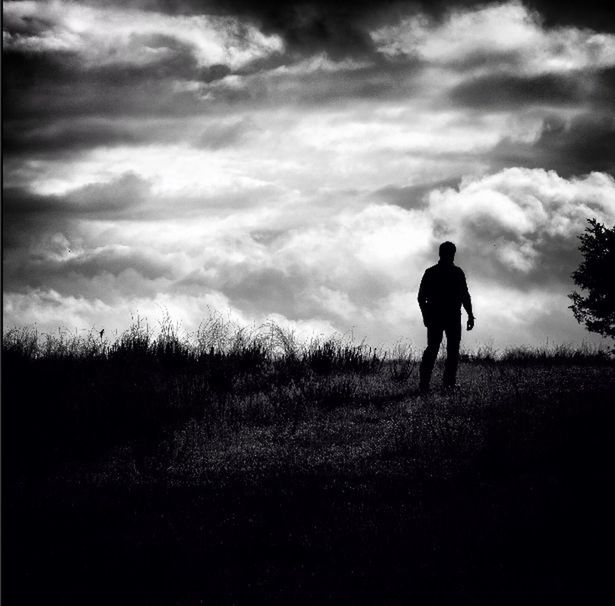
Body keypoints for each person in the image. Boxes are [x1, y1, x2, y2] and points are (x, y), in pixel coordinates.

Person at [417, 241, 474, 392]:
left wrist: (426, 315)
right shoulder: (456, 272)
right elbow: (465, 296)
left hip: (439, 316)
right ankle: (446, 384)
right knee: (449, 350)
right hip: (451, 316)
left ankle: (428, 384)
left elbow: (421, 298)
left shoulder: (432, 272)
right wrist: (470, 315)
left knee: (437, 349)